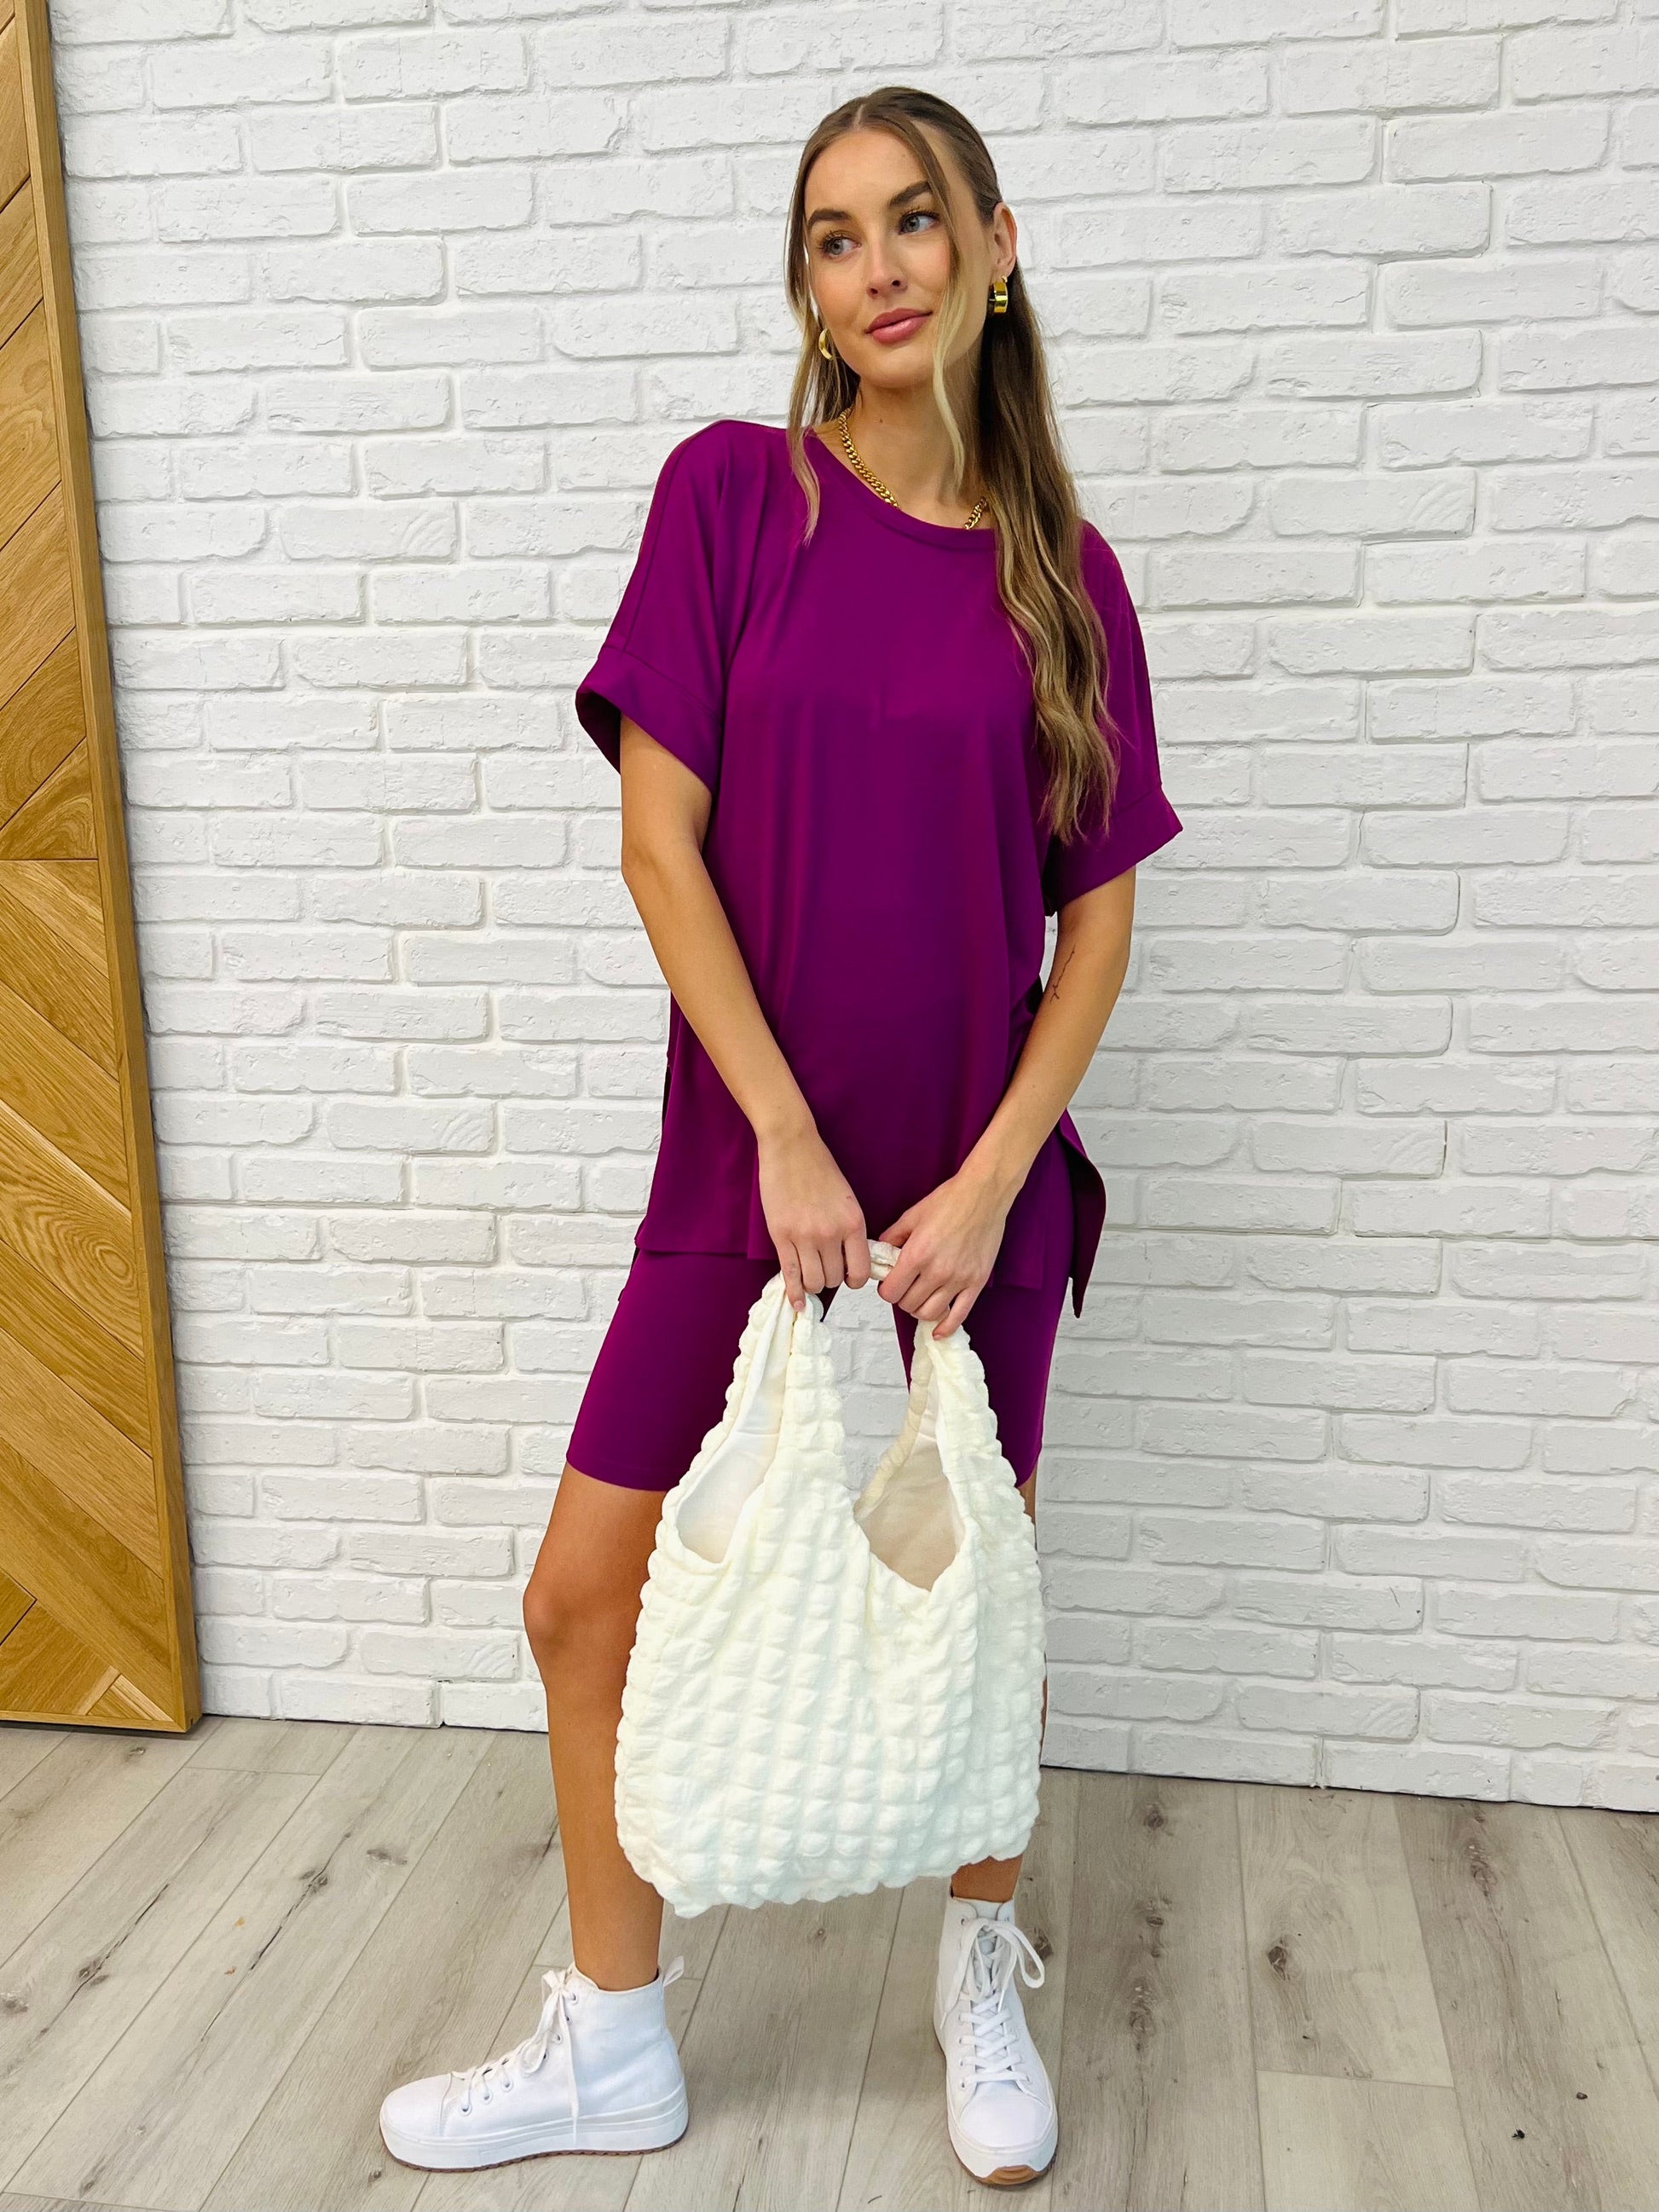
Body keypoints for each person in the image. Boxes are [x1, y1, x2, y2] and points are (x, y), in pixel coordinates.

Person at [379, 83, 1181, 2190]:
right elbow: (659, 843)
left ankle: (976, 1972)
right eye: (836, 237)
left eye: (916, 219)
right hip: (746, 1171)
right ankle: (612, 2041)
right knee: (582, 1596)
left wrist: (989, 1183)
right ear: (809, 292)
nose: (880, 264)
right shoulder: (734, 499)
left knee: (970, 1609)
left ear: (995, 249)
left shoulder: (1069, 581)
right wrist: (781, 1136)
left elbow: (1096, 924)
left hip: (969, 1207)